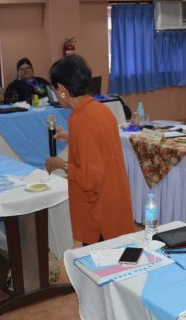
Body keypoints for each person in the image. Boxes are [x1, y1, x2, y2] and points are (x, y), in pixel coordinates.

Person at [44, 55, 135, 244]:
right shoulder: (101, 109)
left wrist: (61, 164)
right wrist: (71, 137)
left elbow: (90, 178)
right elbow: (101, 146)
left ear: (62, 89)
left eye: (55, 90)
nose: (57, 95)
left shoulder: (80, 119)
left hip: (98, 212)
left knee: (101, 259)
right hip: (114, 201)